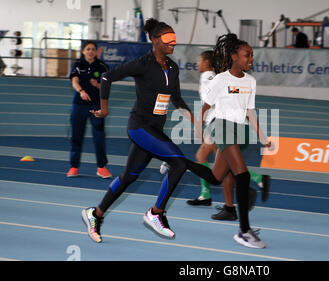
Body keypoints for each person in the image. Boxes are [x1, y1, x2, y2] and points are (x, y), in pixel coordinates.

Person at [81, 18, 221, 243]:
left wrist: (194, 120)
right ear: (155, 41)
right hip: (139, 127)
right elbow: (107, 77)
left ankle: (95, 214)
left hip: (155, 128)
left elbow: (176, 98)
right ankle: (156, 213)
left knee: (129, 177)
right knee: (178, 163)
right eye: (168, 38)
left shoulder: (173, 68)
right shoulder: (143, 64)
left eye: (175, 38)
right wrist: (104, 109)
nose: (173, 42)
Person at [160, 50, 270, 222]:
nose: (197, 64)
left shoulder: (209, 77)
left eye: (199, 60)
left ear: (206, 62)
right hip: (223, 125)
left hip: (218, 125)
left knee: (209, 160)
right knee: (224, 167)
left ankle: (215, 194)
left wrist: (201, 123)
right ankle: (232, 201)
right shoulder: (219, 78)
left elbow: (216, 99)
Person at [196, 33, 272, 248]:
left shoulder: (250, 81)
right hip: (222, 127)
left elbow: (250, 111)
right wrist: (197, 128)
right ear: (234, 57)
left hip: (239, 130)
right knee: (243, 175)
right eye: (247, 55)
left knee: (215, 178)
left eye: (252, 55)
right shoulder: (221, 79)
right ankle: (244, 231)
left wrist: (263, 137)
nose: (251, 59)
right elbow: (205, 106)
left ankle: (178, 163)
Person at [67, 41, 112, 179]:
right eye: (88, 49)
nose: (91, 51)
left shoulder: (103, 66)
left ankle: (101, 167)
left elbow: (106, 87)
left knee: (99, 136)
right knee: (76, 136)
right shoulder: (77, 64)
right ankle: (74, 167)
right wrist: (81, 91)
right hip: (79, 105)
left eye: (93, 49)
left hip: (96, 106)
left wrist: (97, 85)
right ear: (83, 51)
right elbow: (74, 81)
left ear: (96, 51)